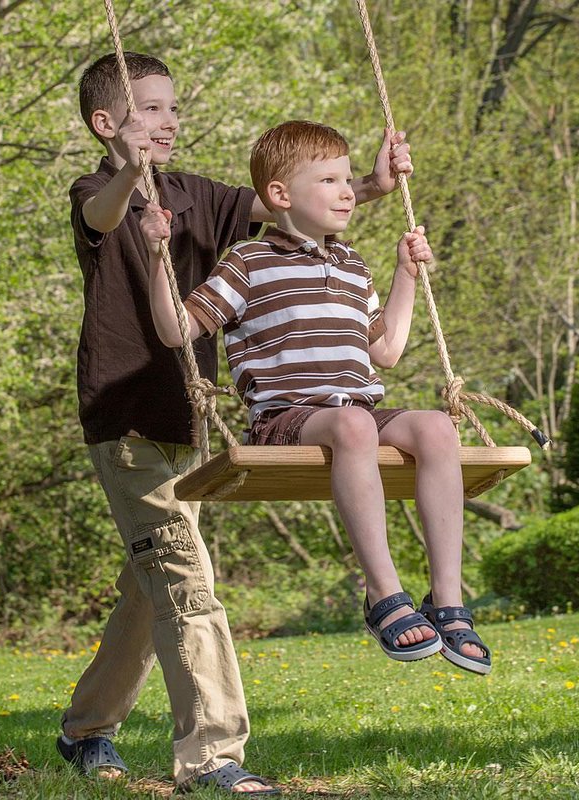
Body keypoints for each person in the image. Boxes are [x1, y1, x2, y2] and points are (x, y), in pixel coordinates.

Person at [60, 53, 415, 795]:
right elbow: (105, 214)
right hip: (123, 419)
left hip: (182, 419)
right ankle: (212, 754)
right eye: (150, 109)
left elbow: (290, 209)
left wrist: (374, 184)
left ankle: (85, 730)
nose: (169, 121)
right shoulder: (97, 191)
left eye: (172, 108)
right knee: (187, 579)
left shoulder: (196, 194)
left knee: (149, 580)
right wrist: (129, 174)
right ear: (106, 125)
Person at [141, 120, 492, 674]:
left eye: (349, 179)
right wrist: (156, 260)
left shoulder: (352, 265)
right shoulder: (248, 262)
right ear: (280, 195)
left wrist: (404, 274)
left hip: (357, 409)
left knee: (434, 428)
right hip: (287, 416)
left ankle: (447, 600)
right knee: (351, 426)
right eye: (330, 180)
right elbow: (176, 330)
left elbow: (388, 351)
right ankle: (384, 593)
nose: (350, 191)